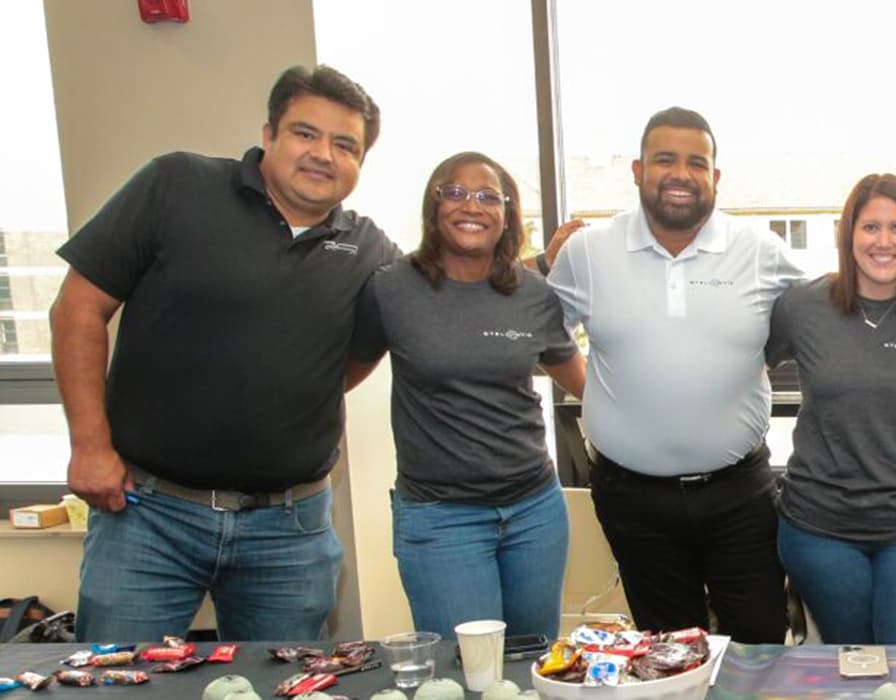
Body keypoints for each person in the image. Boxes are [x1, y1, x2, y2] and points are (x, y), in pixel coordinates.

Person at [51, 65, 398, 641]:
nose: (322, 155)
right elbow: (77, 310)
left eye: (345, 145)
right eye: (304, 133)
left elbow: (355, 359)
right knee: (114, 681)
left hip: (290, 530)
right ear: (269, 134)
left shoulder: (368, 249)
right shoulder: (175, 186)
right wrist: (89, 445)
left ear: (361, 162)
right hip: (146, 515)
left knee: (278, 684)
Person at [546, 107, 800, 643]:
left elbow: (830, 315)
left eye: (696, 162)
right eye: (665, 160)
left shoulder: (760, 252)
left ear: (716, 177)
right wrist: (600, 394)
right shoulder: (589, 252)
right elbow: (545, 333)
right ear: (638, 170)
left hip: (741, 497)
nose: (681, 174)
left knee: (759, 651)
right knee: (665, 658)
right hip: (632, 500)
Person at [345, 152, 587, 640]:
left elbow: (584, 384)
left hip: (534, 514)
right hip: (441, 520)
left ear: (507, 213)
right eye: (454, 192)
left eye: (487, 196)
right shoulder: (392, 289)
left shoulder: (533, 294)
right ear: (434, 206)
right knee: (463, 675)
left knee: (532, 666)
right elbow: (340, 376)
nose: (470, 206)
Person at [765, 173, 896, 645]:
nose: (884, 241)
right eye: (870, 227)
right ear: (848, 234)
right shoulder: (802, 306)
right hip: (820, 528)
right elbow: (741, 363)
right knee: (851, 668)